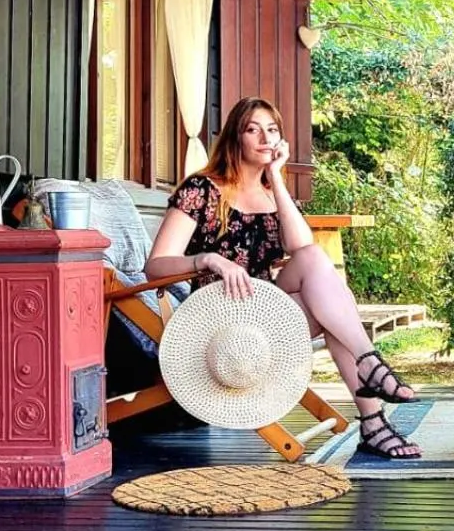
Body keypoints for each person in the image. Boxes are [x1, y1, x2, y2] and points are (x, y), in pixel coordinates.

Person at [147, 97, 421, 459]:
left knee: (318, 277)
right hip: (217, 324)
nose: (264, 138)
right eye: (252, 129)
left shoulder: (271, 192)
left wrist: (276, 176)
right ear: (236, 137)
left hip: (262, 314)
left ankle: (370, 391)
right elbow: (155, 267)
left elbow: (301, 246)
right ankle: (372, 398)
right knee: (333, 310)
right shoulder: (202, 190)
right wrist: (209, 259)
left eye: (272, 130)